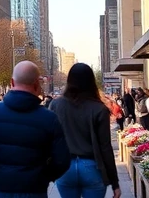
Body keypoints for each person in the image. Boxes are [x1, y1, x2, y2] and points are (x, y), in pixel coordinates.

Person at [0, 62, 71, 198]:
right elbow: (62, 159)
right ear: (37, 84)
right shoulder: (49, 118)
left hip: (3, 188)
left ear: (12, 82)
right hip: (35, 190)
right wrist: (45, 177)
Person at [49, 63, 120, 198]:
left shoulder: (56, 105)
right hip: (92, 166)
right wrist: (114, 182)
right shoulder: (99, 109)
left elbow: (49, 140)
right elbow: (105, 147)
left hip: (65, 167)